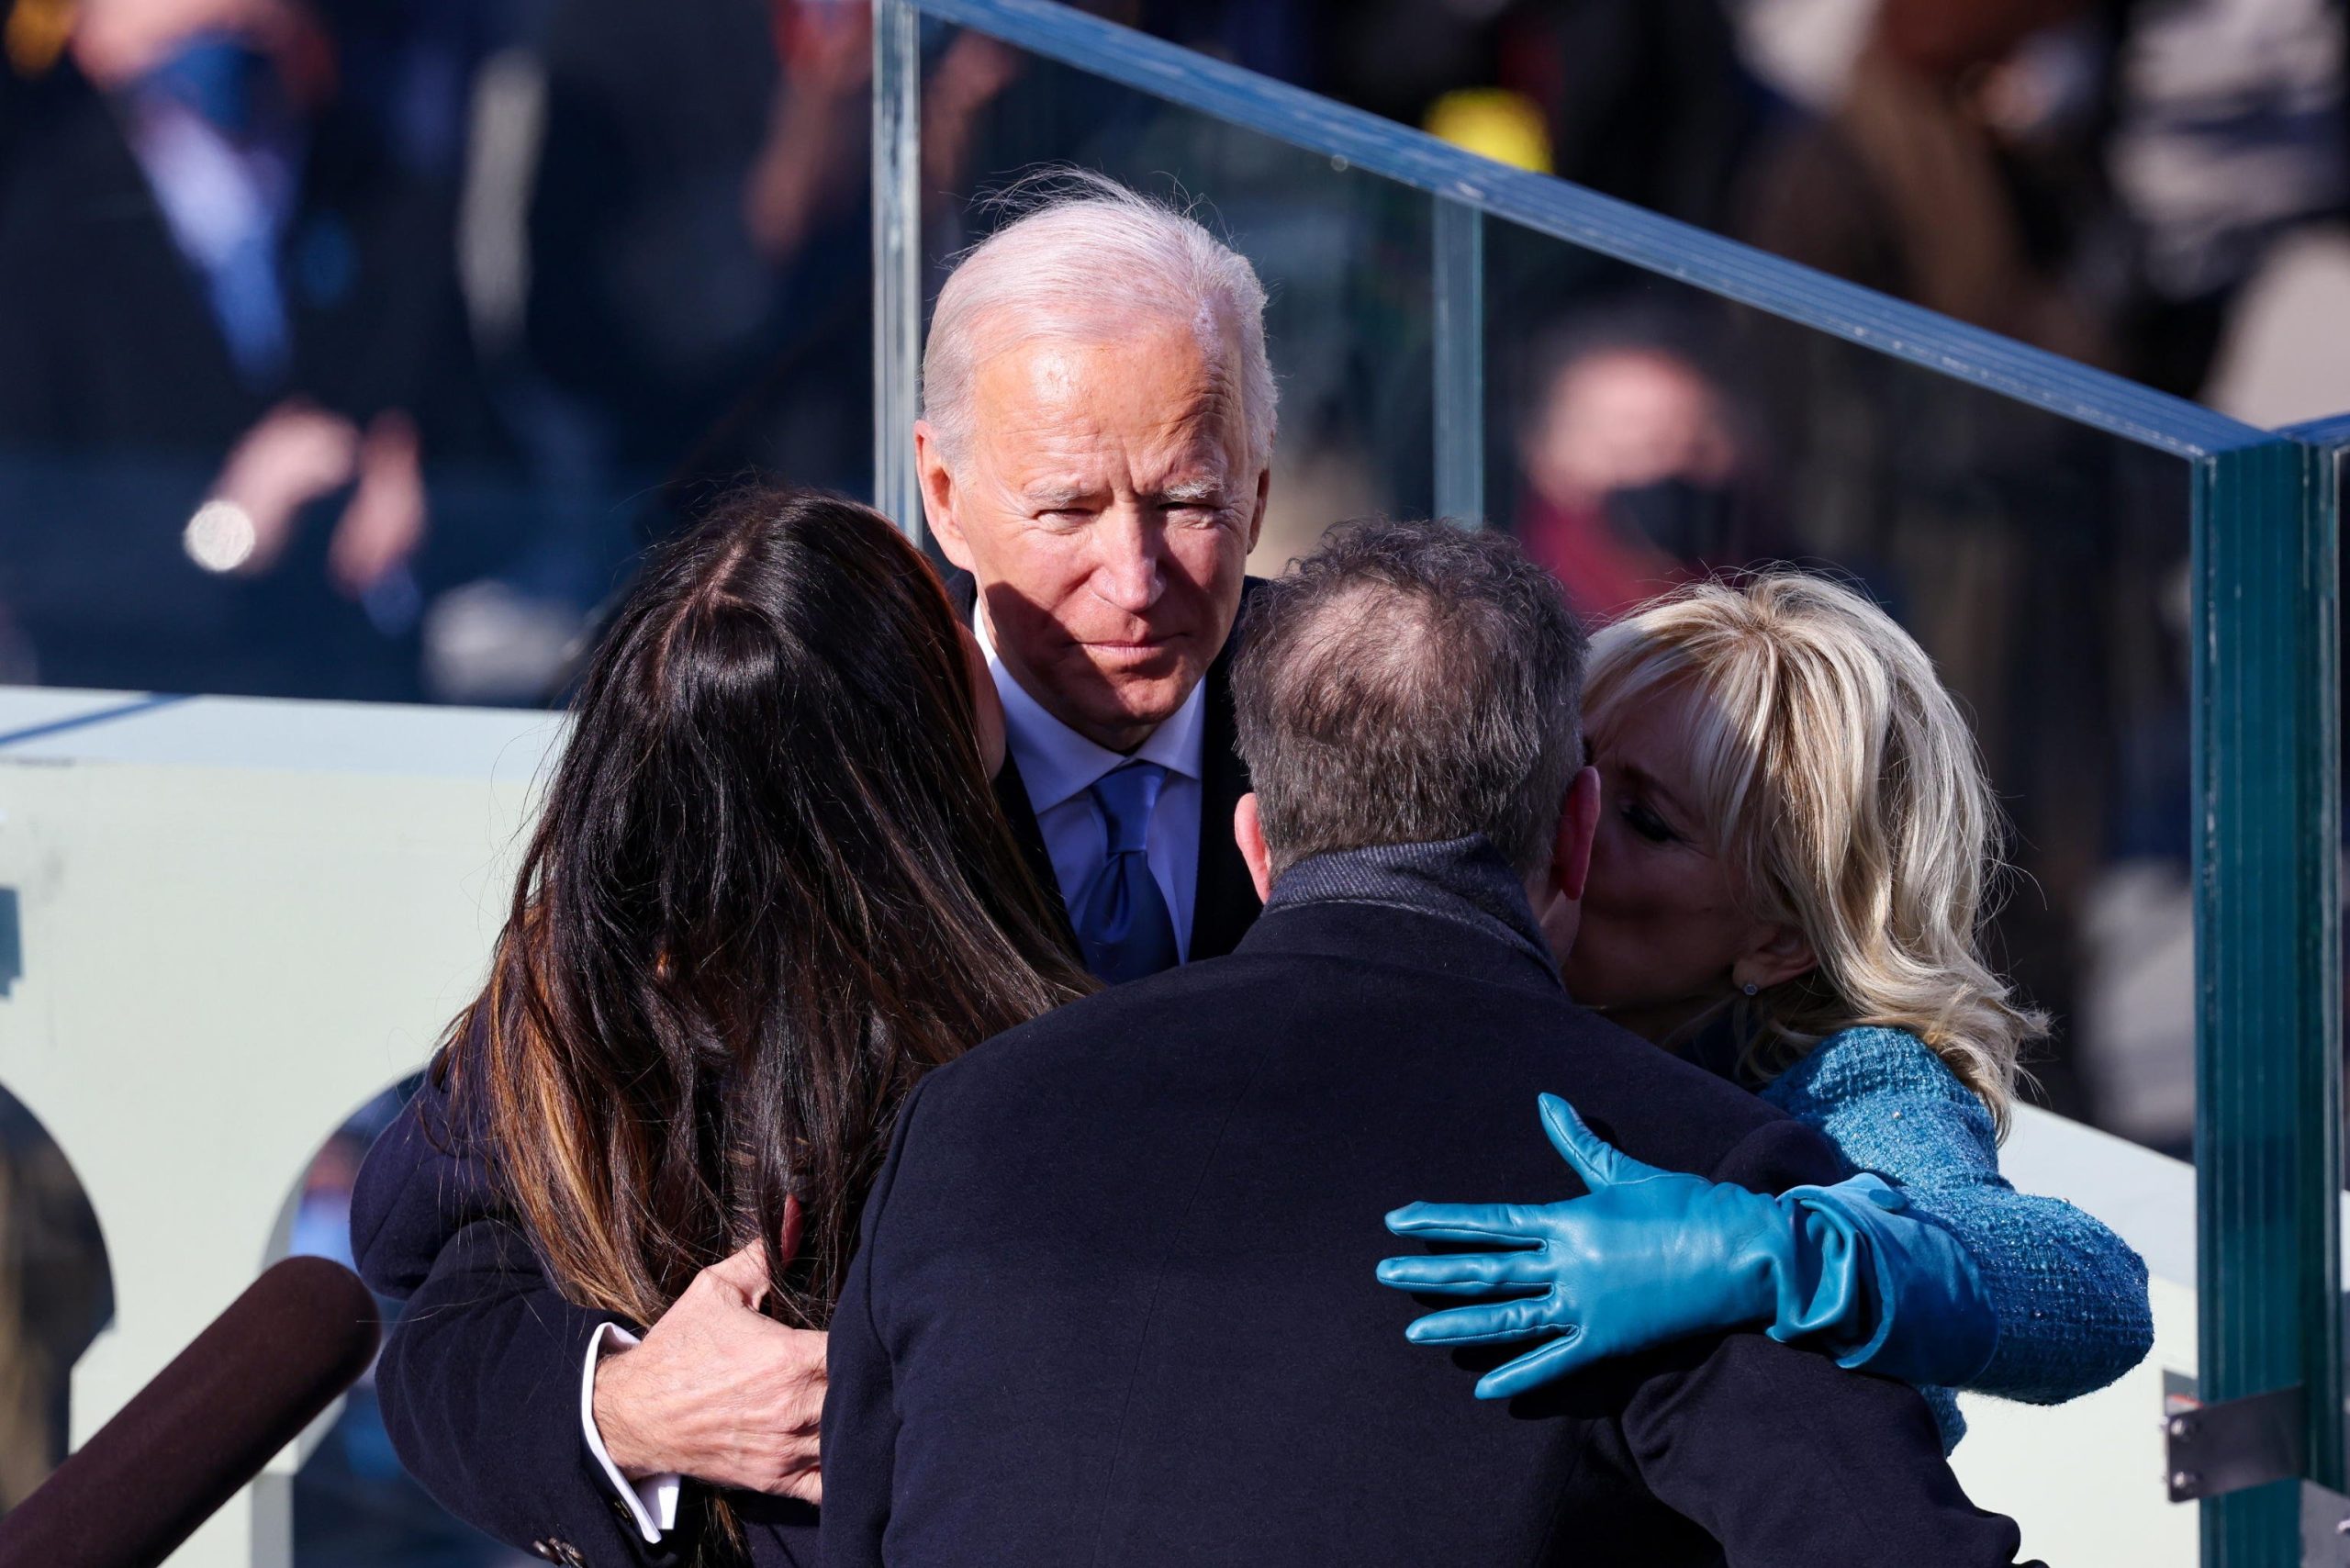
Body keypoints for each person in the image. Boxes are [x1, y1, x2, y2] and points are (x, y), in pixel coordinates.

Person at [352, 175, 1278, 1559]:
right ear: (946, 497)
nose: (1136, 576)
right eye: (1070, 509)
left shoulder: (1381, 710)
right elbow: (447, 1259)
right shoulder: (804, 763)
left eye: (1189, 498)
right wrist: (623, 1412)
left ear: (1260, 485)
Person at [821, 520, 2041, 1568]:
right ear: (1572, 830)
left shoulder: (964, 1121)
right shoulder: (1676, 1177)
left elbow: (2078, 1285)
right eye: (1612, 797)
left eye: (1659, 824)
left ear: (1255, 845)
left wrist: (1790, 1251)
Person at [351, 489, 1093, 1567]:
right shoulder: (610, 1009)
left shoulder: (608, 975)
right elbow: (434, 1278)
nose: (977, 610)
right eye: (941, 605)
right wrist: (623, 1408)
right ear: (907, 754)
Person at [1377, 573, 2153, 1447]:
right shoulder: (1451, 943)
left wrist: (1782, 1256)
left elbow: (2096, 1296)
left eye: (1643, 819)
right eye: (1566, 768)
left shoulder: (1841, 1082)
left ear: (1781, 940)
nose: (1570, 821)